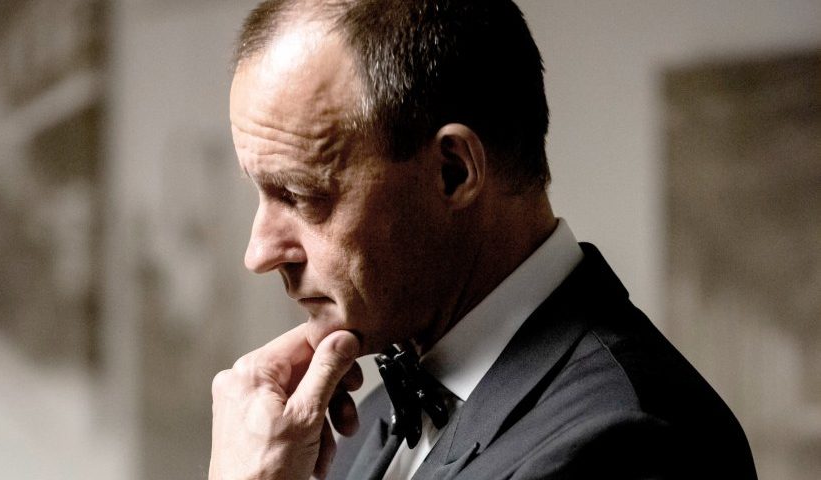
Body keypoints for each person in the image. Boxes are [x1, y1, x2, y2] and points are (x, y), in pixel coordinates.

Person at [209, 0, 757, 478]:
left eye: (301, 195)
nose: (259, 254)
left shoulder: (629, 444)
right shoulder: (355, 427)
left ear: (453, 172)